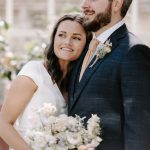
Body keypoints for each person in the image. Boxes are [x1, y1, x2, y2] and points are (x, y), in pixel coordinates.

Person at [68, 0, 150, 150]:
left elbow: (139, 128)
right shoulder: (84, 47)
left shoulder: (134, 52)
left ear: (117, 4)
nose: (84, 5)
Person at [0, 14, 87, 150]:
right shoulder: (34, 71)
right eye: (61, 35)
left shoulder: (79, 83)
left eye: (76, 38)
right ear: (54, 38)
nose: (67, 42)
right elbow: (3, 123)